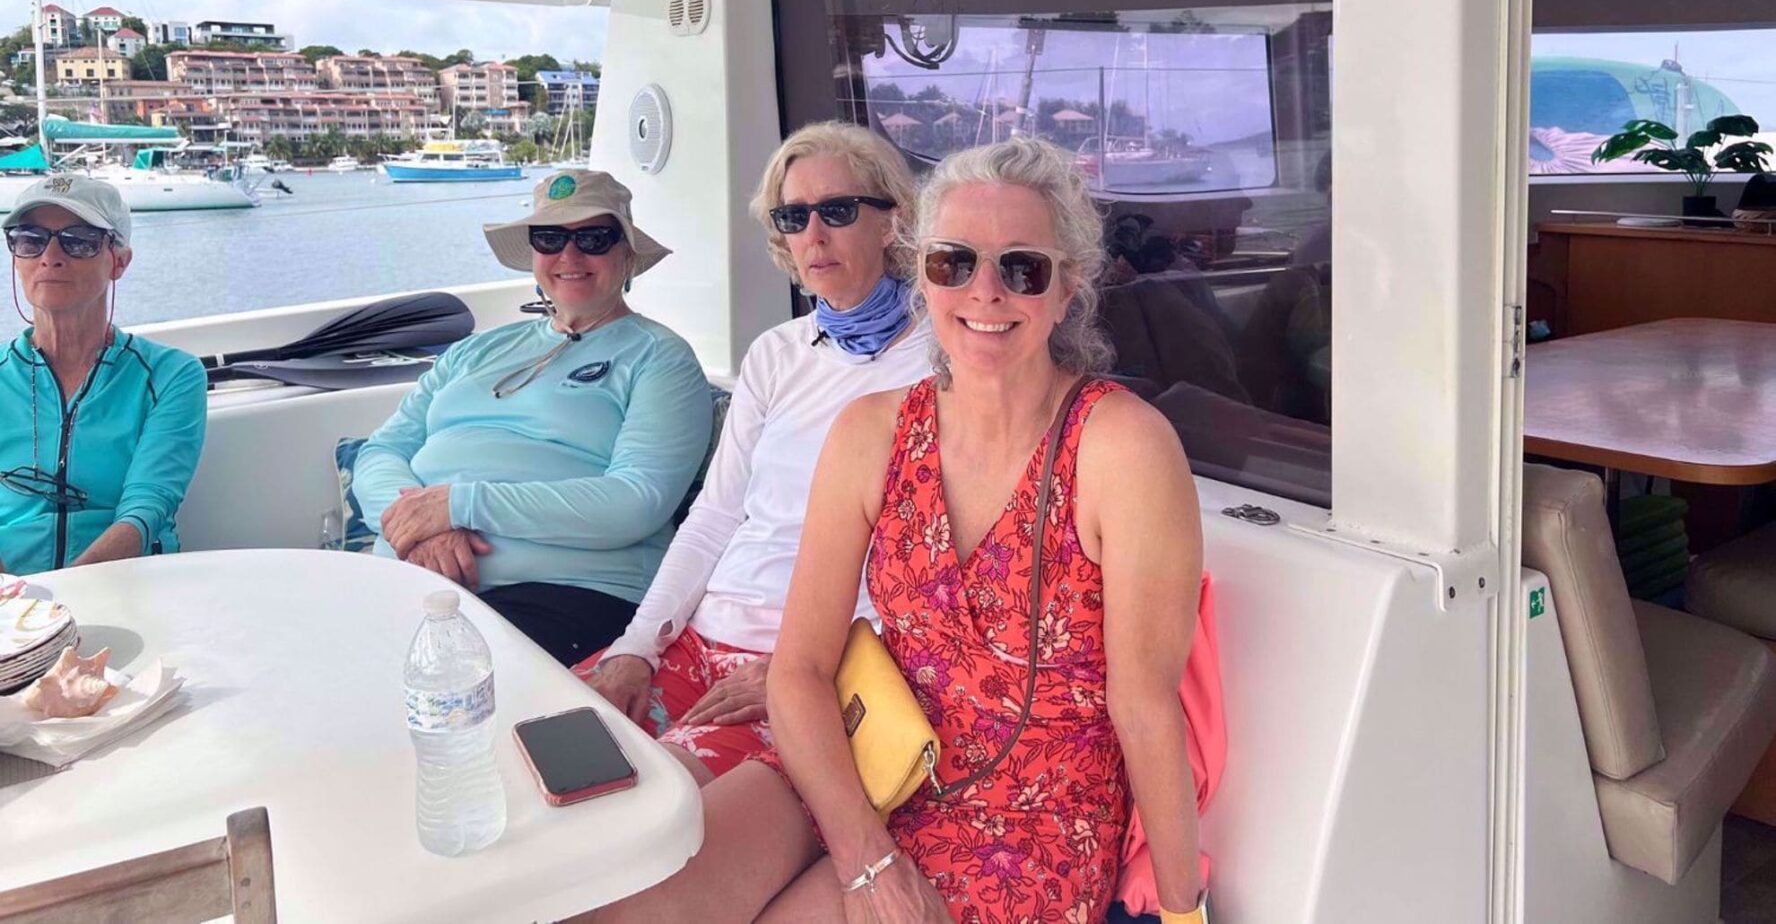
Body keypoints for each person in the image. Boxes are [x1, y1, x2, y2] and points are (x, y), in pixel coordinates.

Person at [599, 137, 1209, 924]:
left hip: (1023, 820)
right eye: (953, 263)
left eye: (1020, 268)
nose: (983, 294)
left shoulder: (1121, 447)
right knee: (628, 910)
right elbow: (800, 669)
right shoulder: (873, 432)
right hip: (862, 753)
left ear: (1067, 290)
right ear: (922, 273)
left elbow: (1145, 706)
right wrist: (866, 856)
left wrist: (1182, 908)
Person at [579, 121, 930, 782]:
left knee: (648, 798)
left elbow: (930, 567)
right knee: (543, 748)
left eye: (838, 211)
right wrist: (636, 649)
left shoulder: (943, 361)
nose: (814, 235)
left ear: (892, 222)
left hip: (801, 660)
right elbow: (715, 517)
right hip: (698, 634)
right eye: (794, 217)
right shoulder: (776, 354)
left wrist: (814, 669)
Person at [353, 168, 712, 666]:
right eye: (550, 238)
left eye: (593, 238)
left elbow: (636, 501)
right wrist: (420, 526)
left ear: (627, 254)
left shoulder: (659, 357)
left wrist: (460, 505)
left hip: (567, 591)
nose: (570, 255)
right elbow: (381, 452)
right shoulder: (473, 351)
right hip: (413, 575)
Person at [0, 175, 206, 575]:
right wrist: (14, 604)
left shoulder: (171, 376)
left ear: (119, 261)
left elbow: (146, 508)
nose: (51, 256)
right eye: (30, 238)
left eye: (79, 240)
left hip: (130, 584)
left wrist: (67, 599)